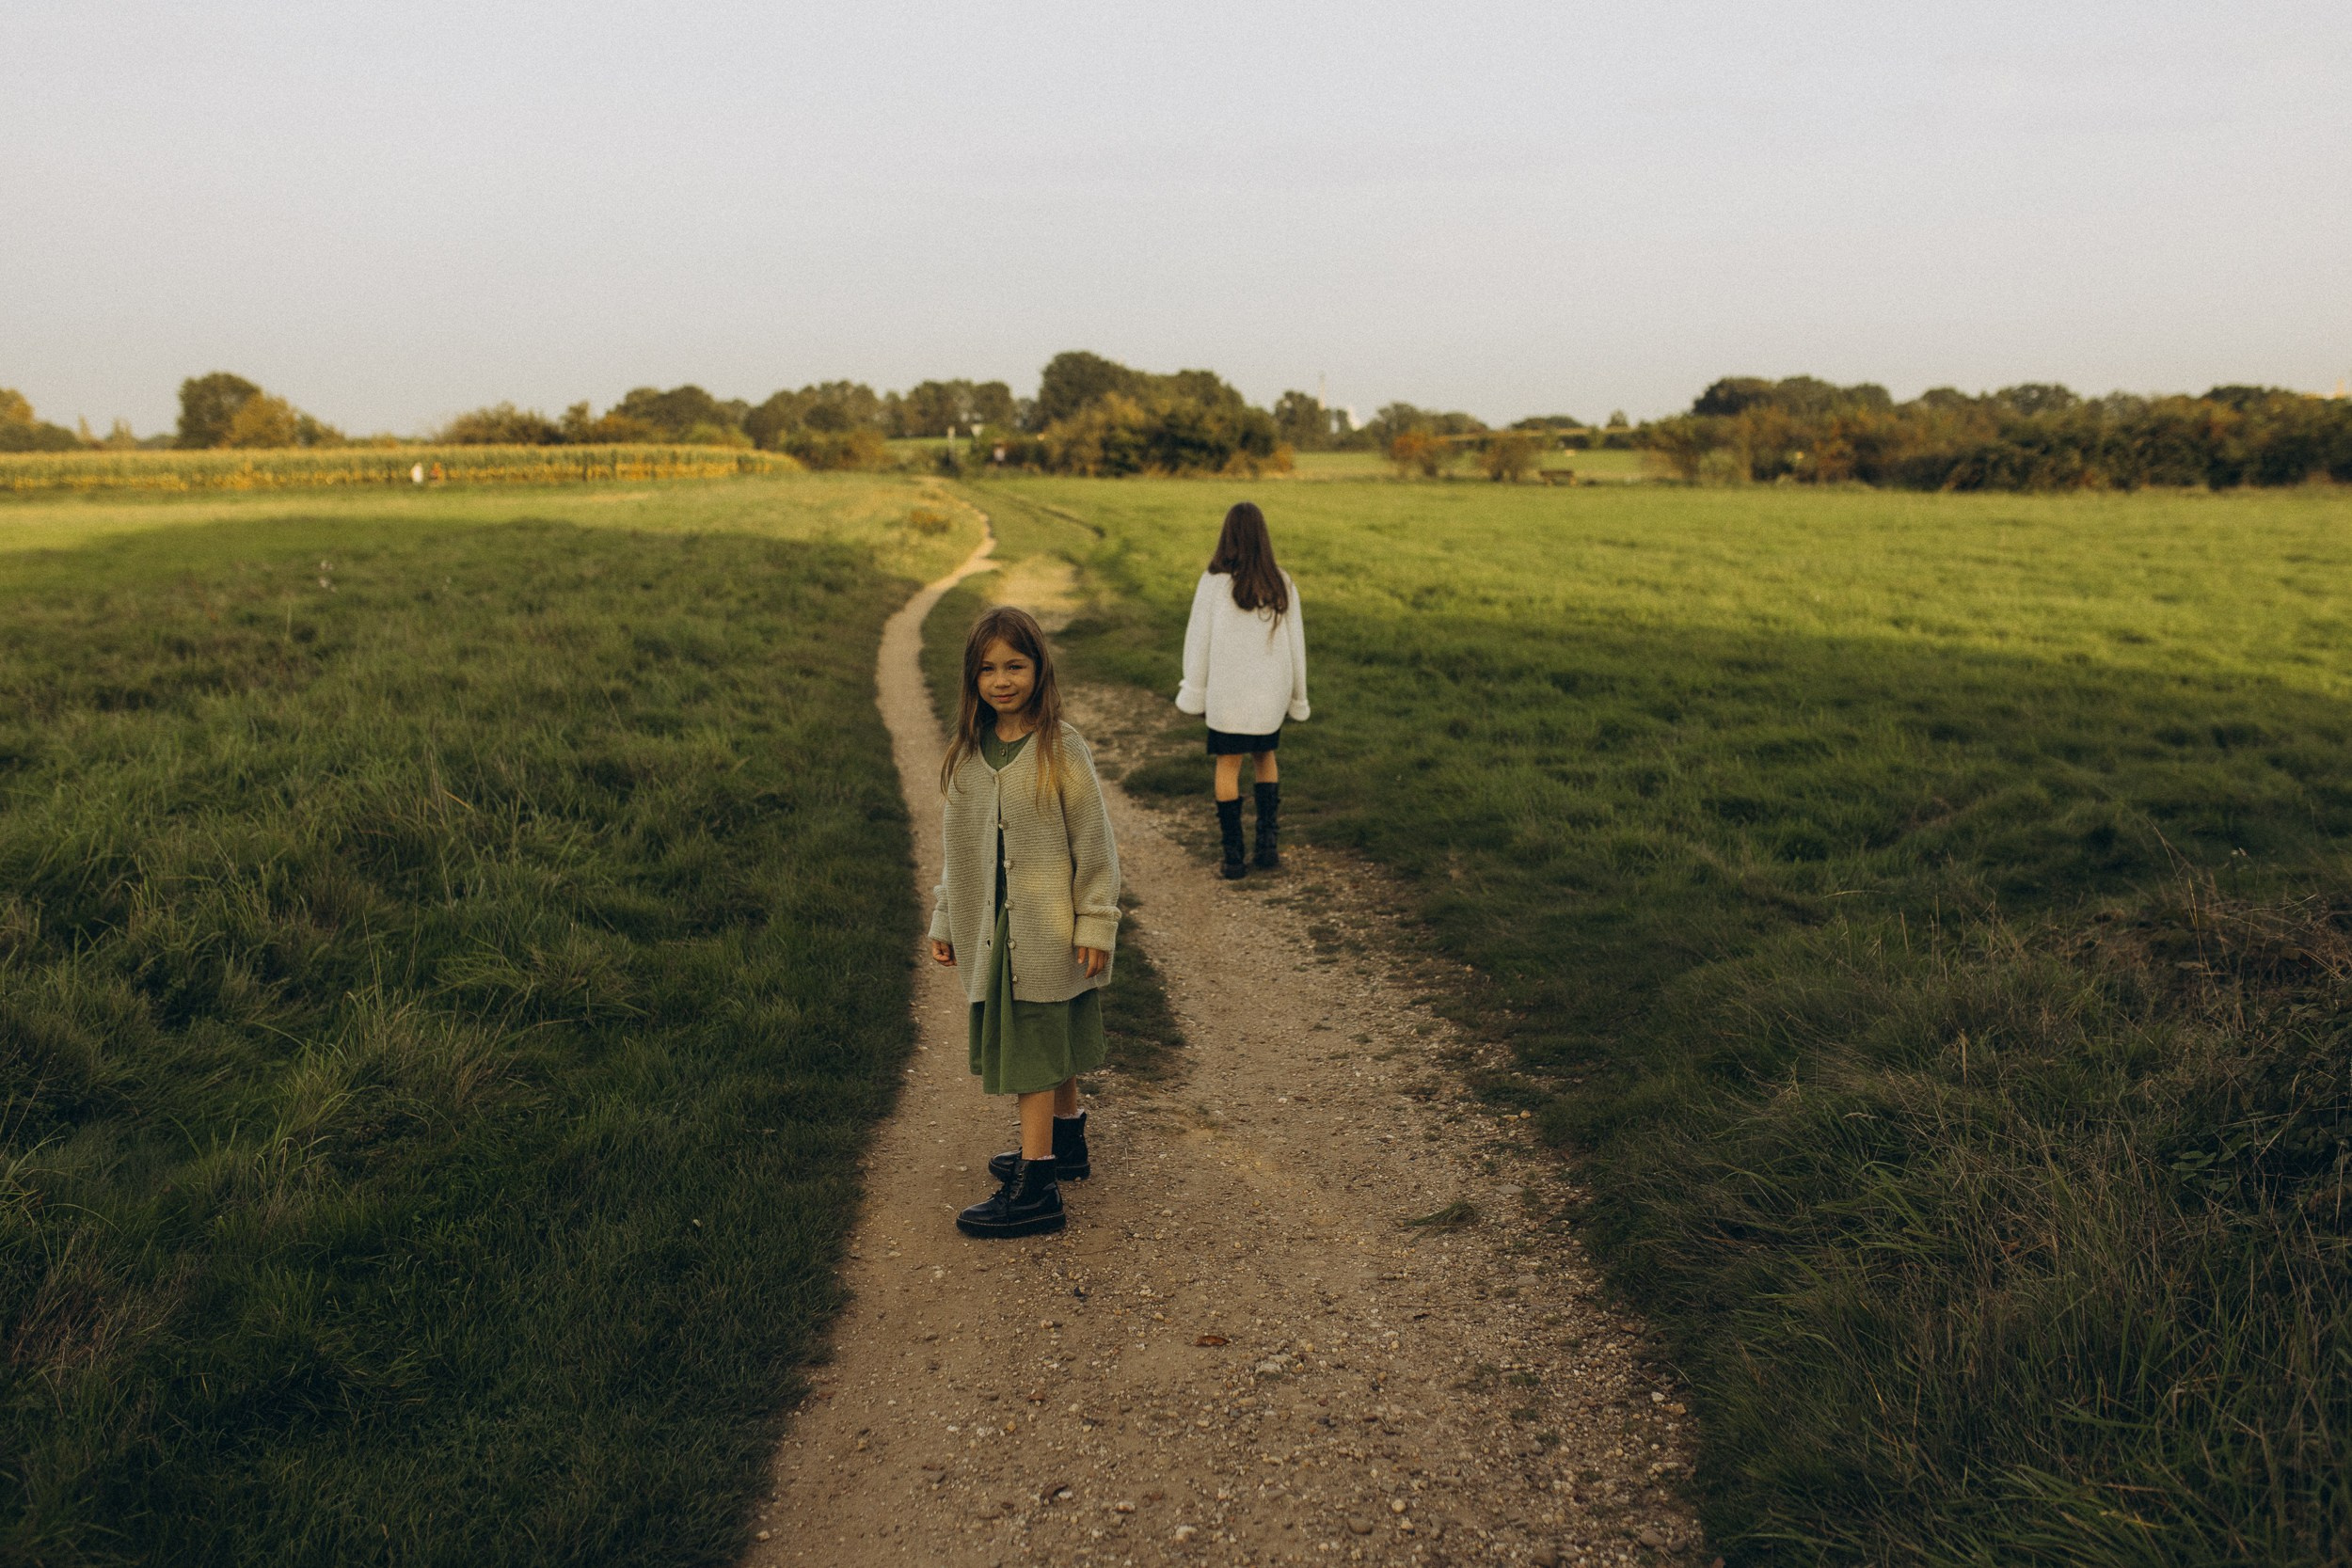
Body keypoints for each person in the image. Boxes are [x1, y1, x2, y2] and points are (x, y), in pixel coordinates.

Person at [929, 606, 1120, 1238]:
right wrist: (945, 916)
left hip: (1046, 929)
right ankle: (1065, 1144)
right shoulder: (965, 755)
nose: (1002, 679)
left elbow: (1095, 843)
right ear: (972, 678)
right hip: (995, 928)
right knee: (1046, 1037)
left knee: (1037, 1046)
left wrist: (1096, 921)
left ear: (1039, 668)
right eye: (988, 669)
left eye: (1015, 664)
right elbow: (957, 850)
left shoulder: (1061, 750)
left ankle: (1037, 1186)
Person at [1174, 501, 1310, 879]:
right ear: (1263, 538)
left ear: (1227, 536)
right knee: (1265, 757)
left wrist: (1195, 689)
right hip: (1270, 695)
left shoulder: (1215, 582)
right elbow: (1297, 644)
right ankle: (1267, 850)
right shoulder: (1281, 582)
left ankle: (1234, 859)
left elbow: (1197, 641)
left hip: (1228, 697)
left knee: (1227, 766)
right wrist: (1298, 696)